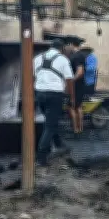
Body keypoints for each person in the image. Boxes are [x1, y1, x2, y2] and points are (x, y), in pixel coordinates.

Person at [34, 38, 74, 166]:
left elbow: (33, 75)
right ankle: (41, 156)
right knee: (50, 125)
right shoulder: (63, 60)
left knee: (50, 120)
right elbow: (69, 80)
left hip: (39, 93)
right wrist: (71, 98)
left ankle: (58, 143)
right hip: (54, 95)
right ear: (61, 49)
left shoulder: (37, 58)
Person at [66, 36, 86, 134]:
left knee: (72, 107)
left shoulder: (77, 56)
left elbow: (80, 71)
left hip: (76, 85)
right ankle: (79, 128)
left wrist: (72, 81)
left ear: (71, 44)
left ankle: (76, 129)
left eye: (68, 44)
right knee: (78, 106)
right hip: (79, 84)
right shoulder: (78, 55)